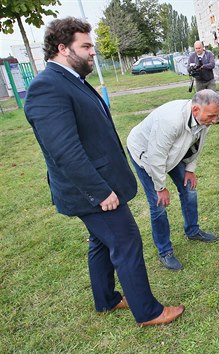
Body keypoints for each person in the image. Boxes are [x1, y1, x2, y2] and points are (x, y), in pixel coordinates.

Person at [24, 17, 184, 326]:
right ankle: (148, 312)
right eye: (85, 46)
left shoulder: (70, 80)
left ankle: (106, 300)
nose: (92, 52)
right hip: (92, 191)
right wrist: (100, 192)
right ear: (62, 48)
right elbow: (64, 152)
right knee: (126, 242)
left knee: (101, 241)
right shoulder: (48, 87)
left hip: (99, 185)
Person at [127, 89, 219, 271]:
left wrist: (190, 169)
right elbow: (156, 156)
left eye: (216, 115)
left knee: (189, 189)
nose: (215, 120)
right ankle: (165, 251)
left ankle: (193, 230)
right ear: (195, 110)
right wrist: (160, 187)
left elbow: (197, 146)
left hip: (171, 153)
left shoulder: (203, 120)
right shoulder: (170, 121)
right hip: (146, 155)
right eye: (212, 116)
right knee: (158, 204)